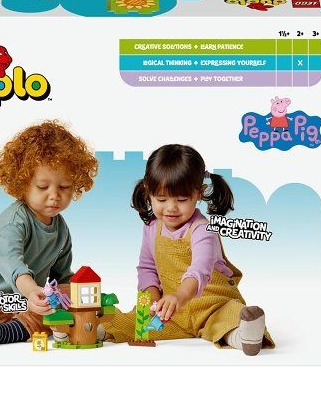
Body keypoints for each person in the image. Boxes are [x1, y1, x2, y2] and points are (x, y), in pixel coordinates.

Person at [102, 144, 274, 355]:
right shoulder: (151, 227)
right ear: (148, 192)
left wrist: (180, 295)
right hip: (174, 311)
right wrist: (154, 300)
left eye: (182, 200)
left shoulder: (202, 229)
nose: (171, 208)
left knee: (225, 318)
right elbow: (147, 267)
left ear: (199, 194)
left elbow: (200, 268)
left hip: (212, 304)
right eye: (161, 199)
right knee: (135, 321)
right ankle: (98, 329)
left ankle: (244, 335)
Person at [0, 120, 98, 346]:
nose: (55, 195)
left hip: (26, 300)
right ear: (22, 183)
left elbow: (61, 276)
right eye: (43, 187)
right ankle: (15, 325)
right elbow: (12, 264)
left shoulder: (61, 229)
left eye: (64, 186)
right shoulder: (13, 222)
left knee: (70, 296)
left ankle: (13, 330)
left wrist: (75, 298)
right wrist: (31, 291)